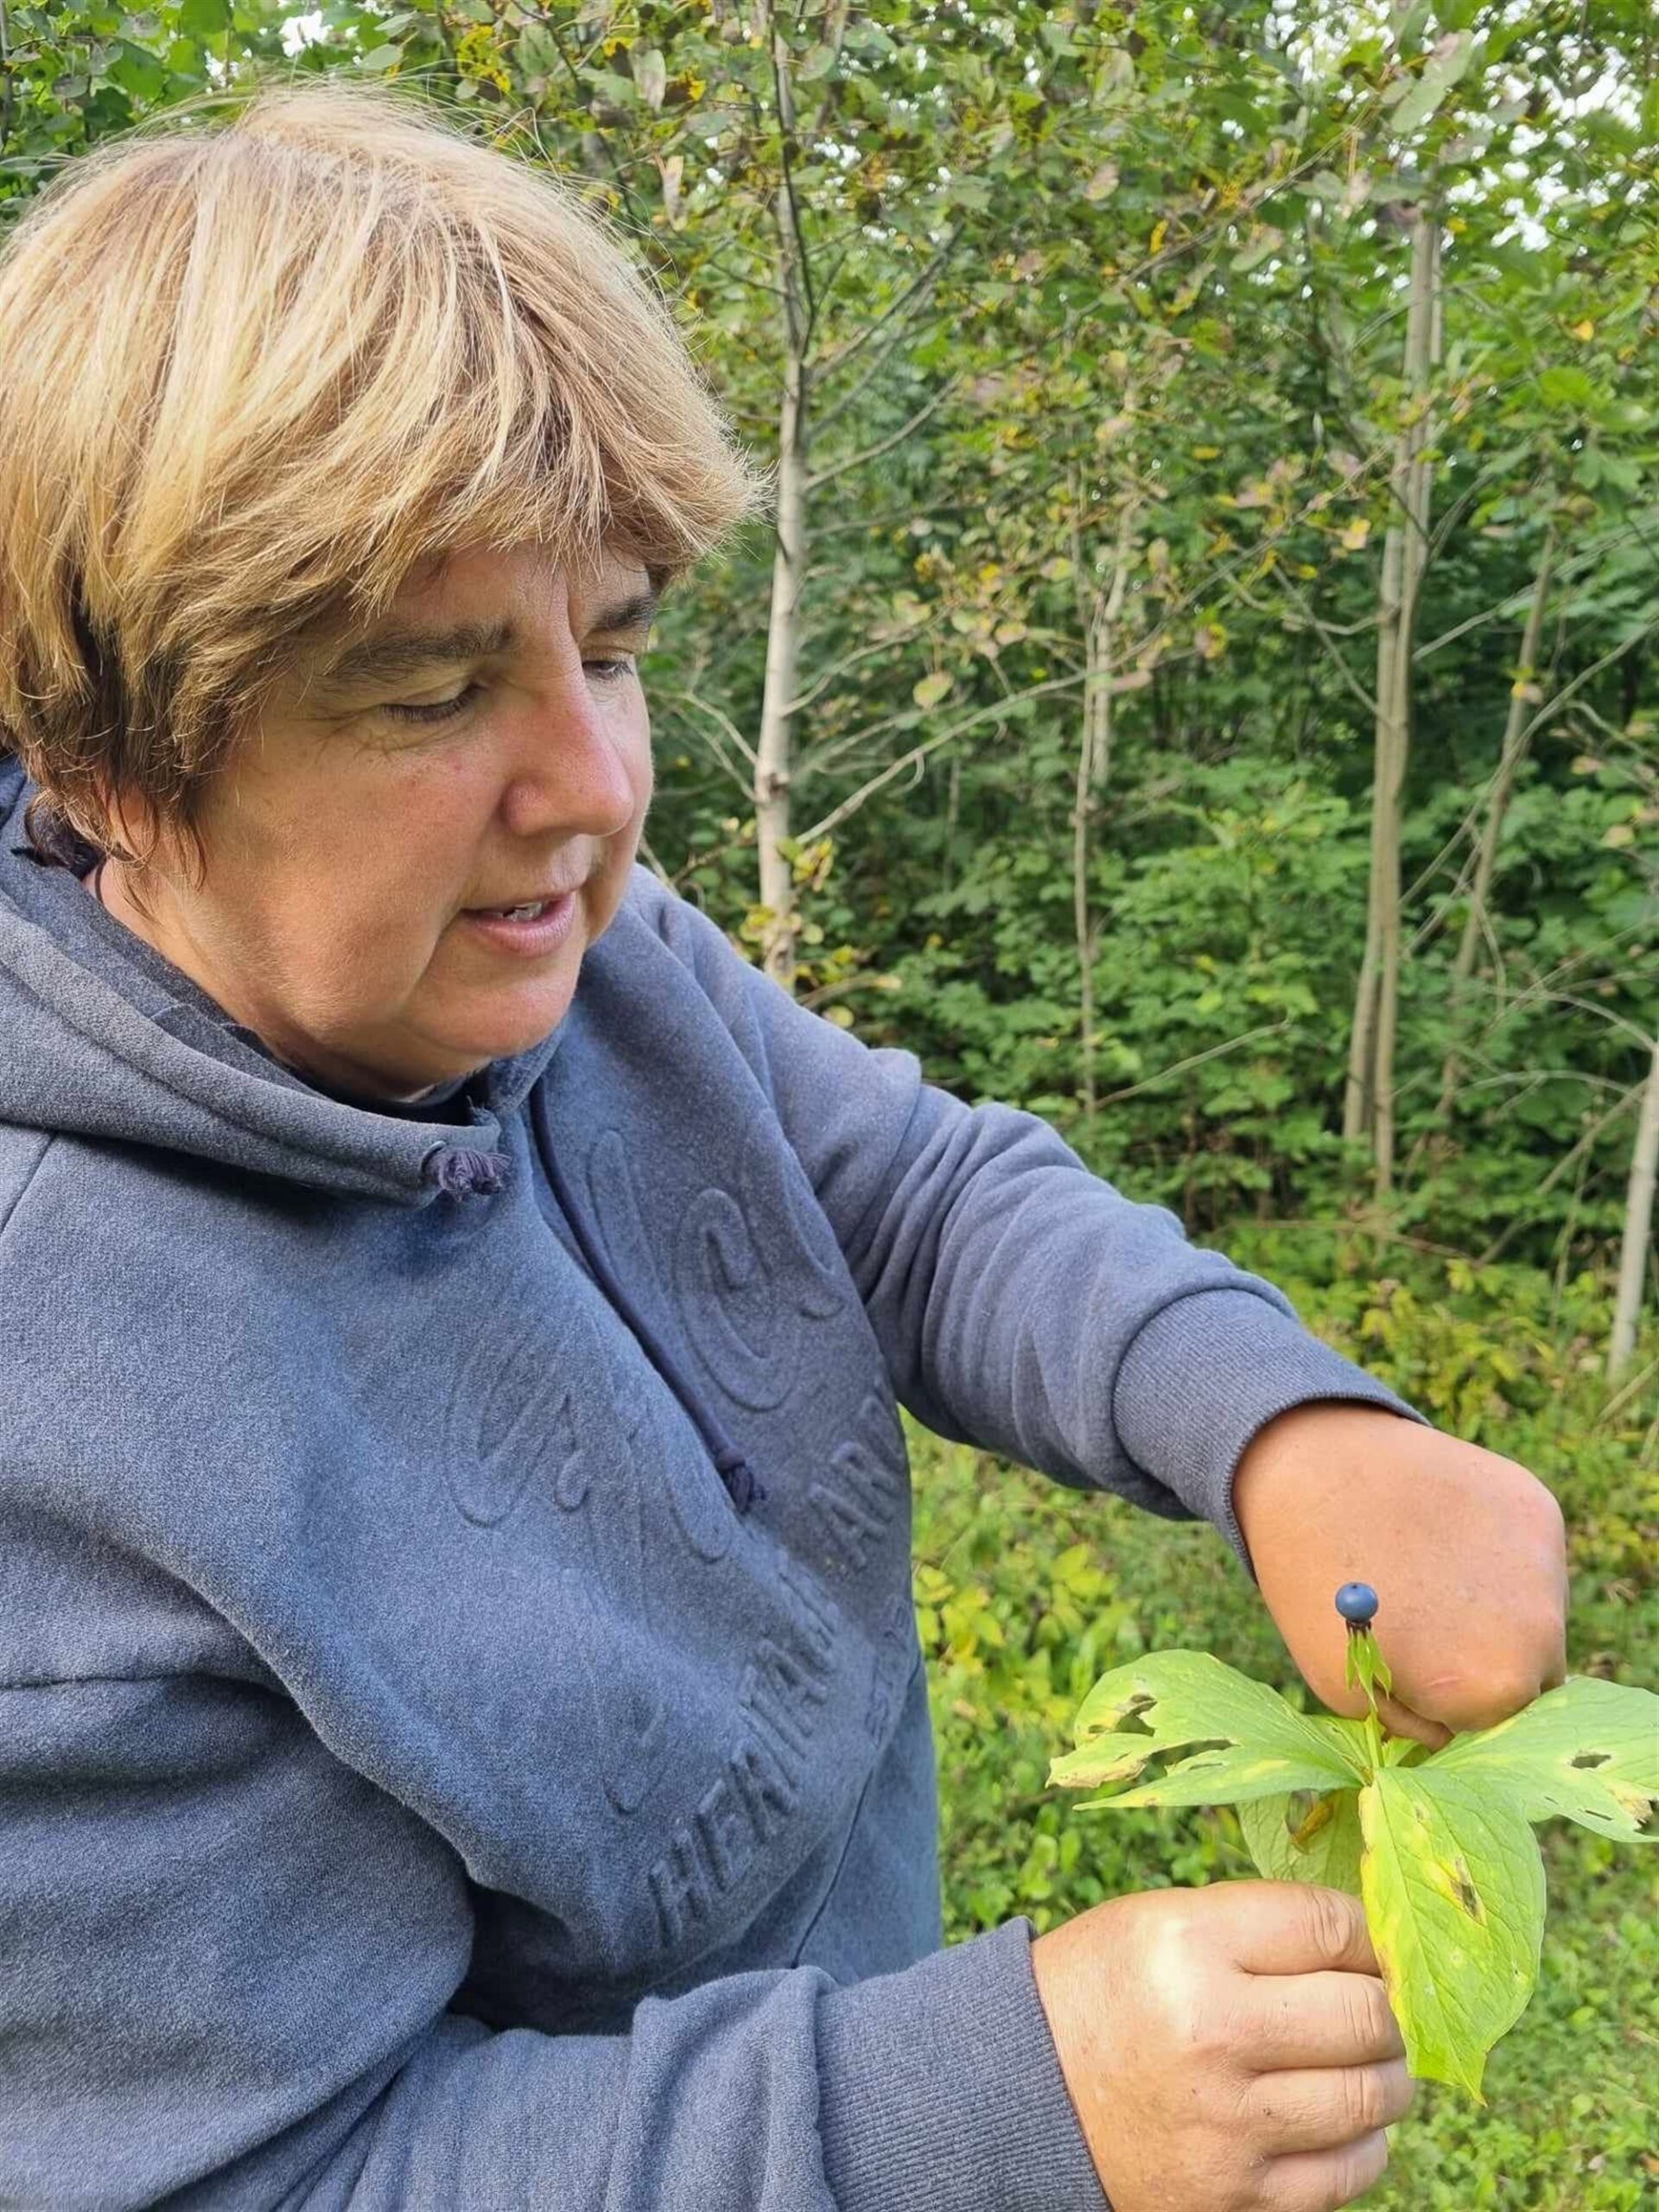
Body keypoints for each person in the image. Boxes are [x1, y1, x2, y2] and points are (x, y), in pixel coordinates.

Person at [0, 82, 1567, 2212]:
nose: (592, 786)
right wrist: (988, 2105)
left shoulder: (563, 953)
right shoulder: (65, 1404)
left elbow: (911, 1198)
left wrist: (1280, 1422)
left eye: (614, 645)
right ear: (115, 760)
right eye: (432, 693)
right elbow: (275, 2168)